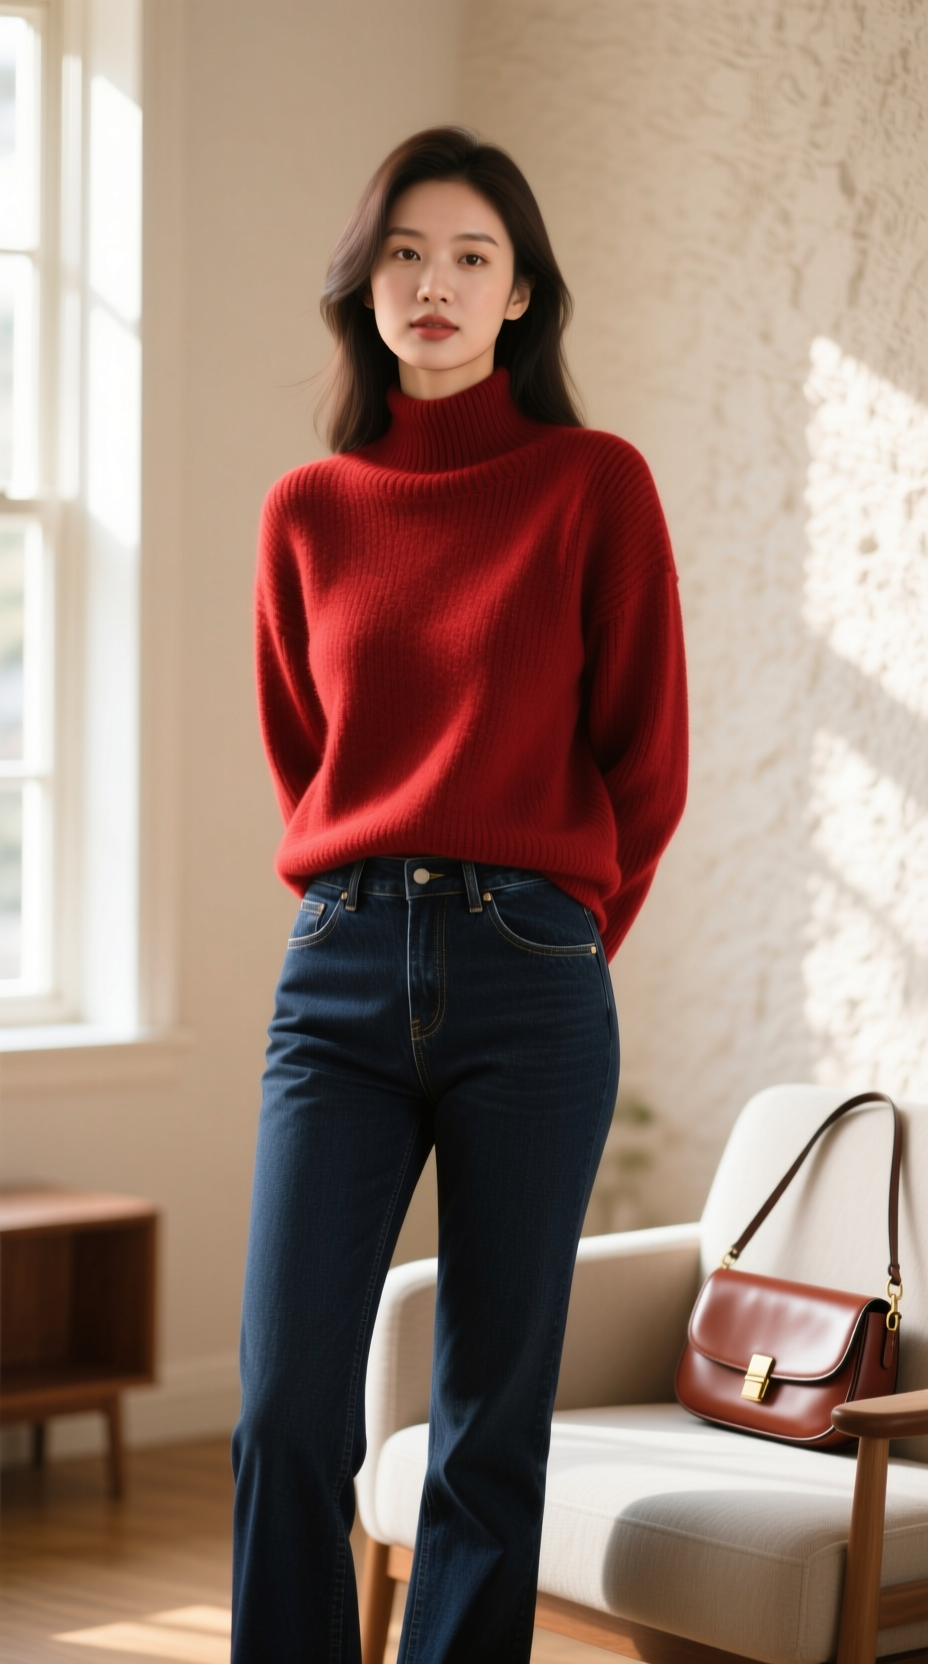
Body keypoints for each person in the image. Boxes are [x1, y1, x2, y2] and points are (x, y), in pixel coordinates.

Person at [231, 125, 688, 1664]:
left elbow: (648, 759)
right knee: (289, 1408)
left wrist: (551, 940)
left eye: (472, 258)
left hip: (531, 974)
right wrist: (384, 901)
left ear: (520, 297)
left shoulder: (593, 487)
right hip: (341, 971)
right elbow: (308, 757)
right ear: (366, 290)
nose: (436, 283)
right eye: (408, 255)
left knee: (489, 1421)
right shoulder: (307, 511)